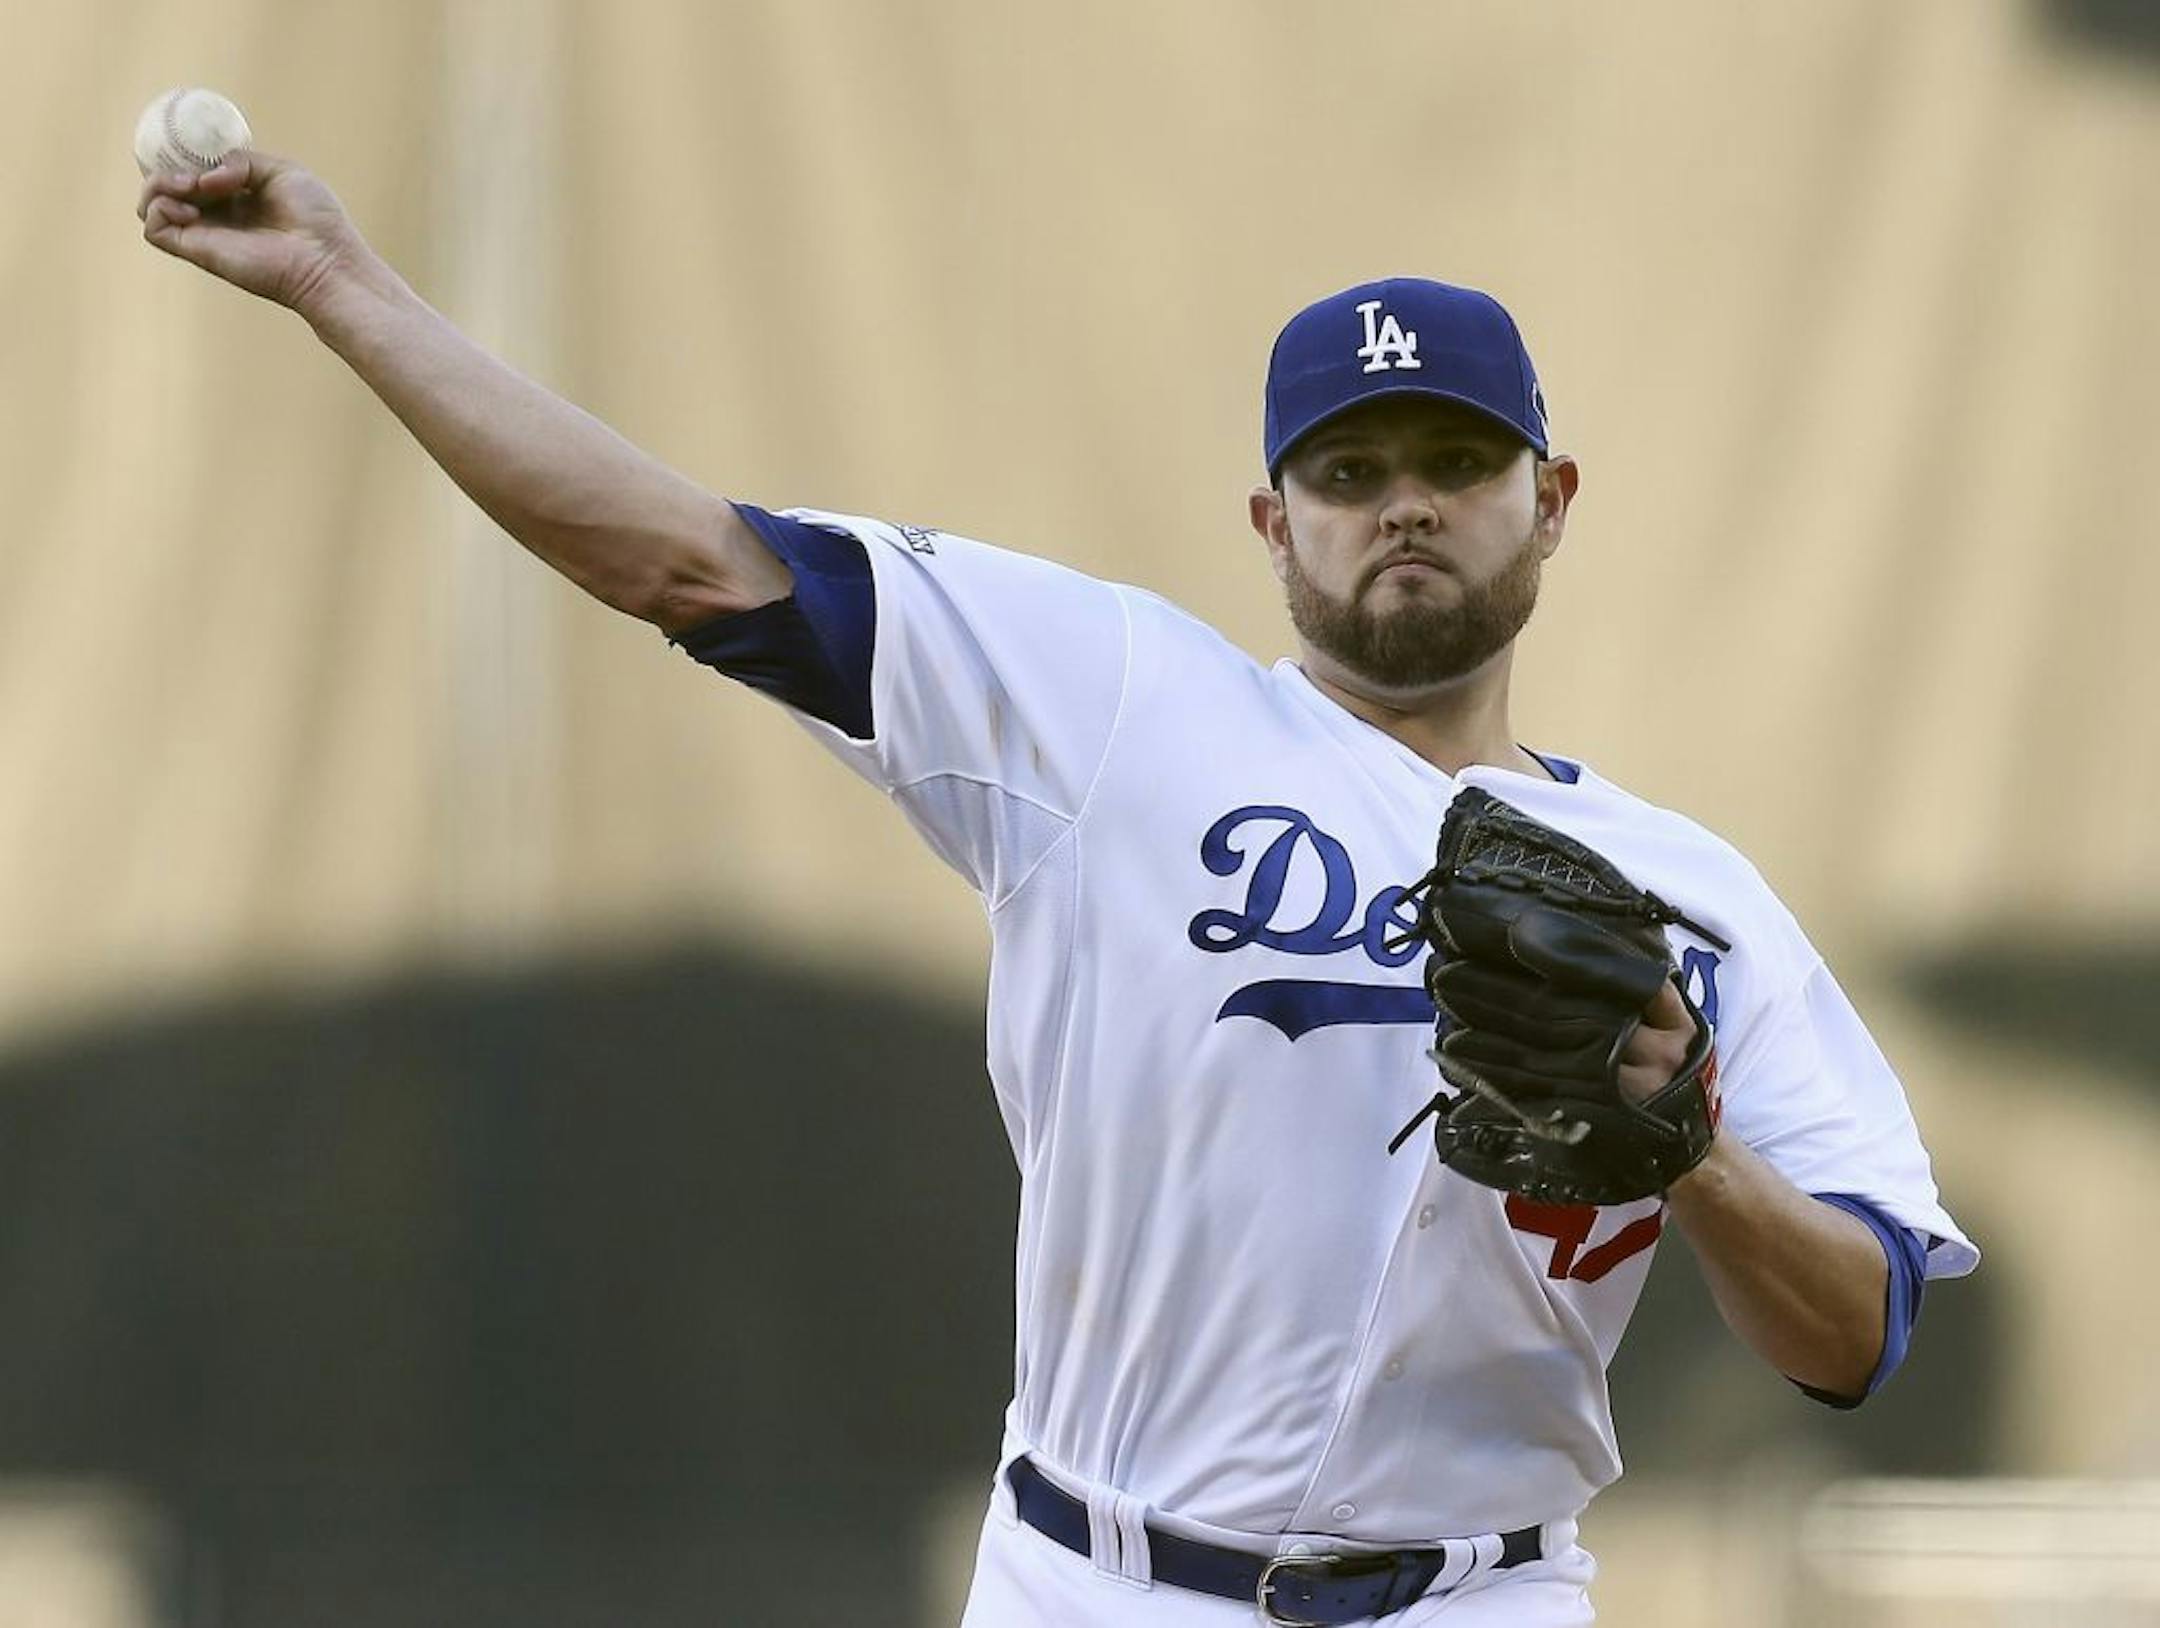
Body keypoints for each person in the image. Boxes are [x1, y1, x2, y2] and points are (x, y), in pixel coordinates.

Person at [139, 153, 1975, 1627]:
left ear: (1551, 498)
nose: (1400, 504)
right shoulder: (1106, 701)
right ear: (1274, 523)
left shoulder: (1693, 901)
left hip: (1479, 1598)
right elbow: (677, 553)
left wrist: (1697, 1155)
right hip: (1097, 1579)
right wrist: (345, 294)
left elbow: (1858, 1333)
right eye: (1348, 471)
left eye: (1453, 463)